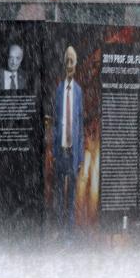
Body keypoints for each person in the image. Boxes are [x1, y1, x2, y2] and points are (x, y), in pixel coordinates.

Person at [51, 46, 84, 230]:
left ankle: (69, 233)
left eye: (72, 61)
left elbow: (80, 125)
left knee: (71, 196)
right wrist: (55, 152)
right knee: (58, 195)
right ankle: (58, 228)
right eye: (67, 61)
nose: (69, 64)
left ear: (76, 65)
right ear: (64, 64)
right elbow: (56, 122)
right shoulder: (58, 90)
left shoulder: (79, 92)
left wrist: (80, 156)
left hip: (72, 154)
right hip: (61, 153)